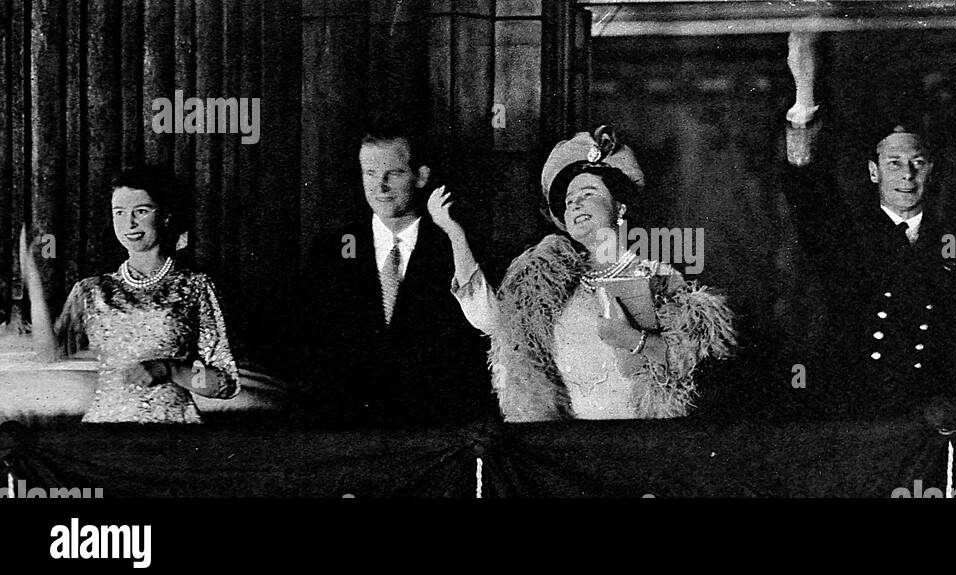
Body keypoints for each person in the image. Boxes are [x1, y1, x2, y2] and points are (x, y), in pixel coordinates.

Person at [433, 126, 736, 422]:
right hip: (568, 447)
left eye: (587, 192)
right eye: (568, 201)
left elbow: (691, 362)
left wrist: (634, 340)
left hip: (640, 446)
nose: (575, 203)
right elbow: (492, 320)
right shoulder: (548, 284)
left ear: (620, 207)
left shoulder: (658, 276)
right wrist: (455, 235)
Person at [782, 33, 956, 418]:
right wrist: (804, 99)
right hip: (858, 405)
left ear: (931, 169)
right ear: (874, 172)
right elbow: (806, 188)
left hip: (932, 409)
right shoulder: (847, 232)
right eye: (894, 164)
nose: (906, 176)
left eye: (917, 163)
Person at [297, 122, 495, 426]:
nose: (380, 187)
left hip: (436, 430)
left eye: (394, 173)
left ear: (421, 176)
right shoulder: (332, 250)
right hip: (348, 429)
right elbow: (314, 350)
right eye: (371, 174)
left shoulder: (455, 247)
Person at [17, 165, 239, 423]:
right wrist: (32, 278)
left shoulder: (195, 287)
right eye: (119, 213)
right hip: (105, 433)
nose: (129, 223)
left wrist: (170, 370)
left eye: (141, 211)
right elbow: (48, 354)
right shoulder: (91, 290)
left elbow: (225, 383)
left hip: (175, 436)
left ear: (165, 215)